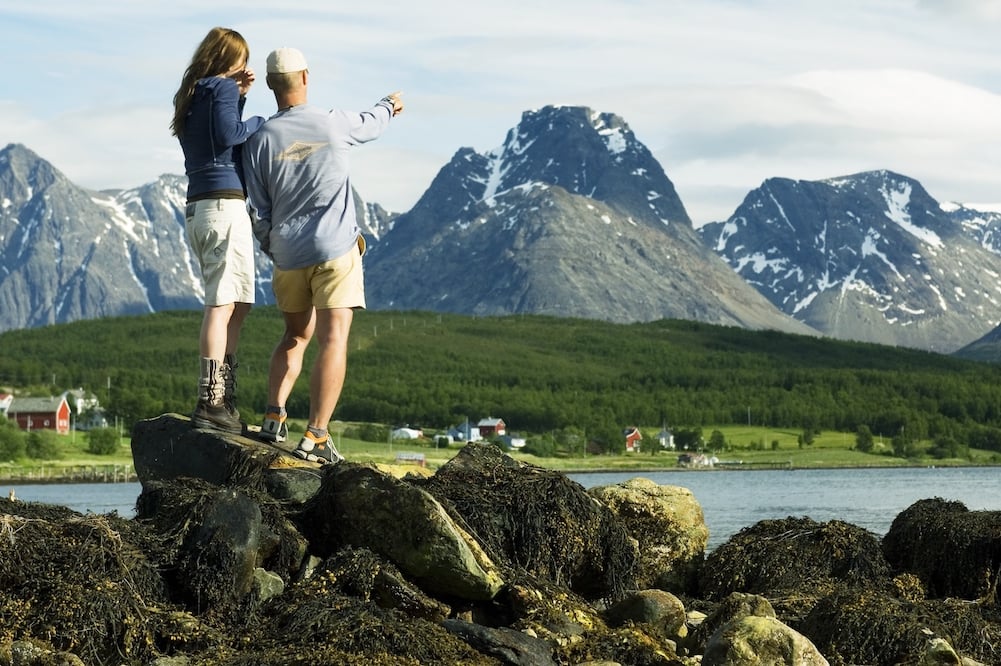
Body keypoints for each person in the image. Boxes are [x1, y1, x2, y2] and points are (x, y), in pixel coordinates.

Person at [242, 47, 403, 464]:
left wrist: (273, 245)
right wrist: (390, 103)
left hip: (288, 257)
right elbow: (374, 124)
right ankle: (315, 436)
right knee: (333, 340)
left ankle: (273, 417)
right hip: (335, 251)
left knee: (294, 336)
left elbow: (258, 209)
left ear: (272, 85)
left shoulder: (259, 141)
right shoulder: (333, 122)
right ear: (306, 77)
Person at [171, 27, 266, 434]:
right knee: (223, 303)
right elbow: (230, 135)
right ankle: (210, 401)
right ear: (228, 58)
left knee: (237, 303)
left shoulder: (195, 94)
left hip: (201, 207)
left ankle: (221, 397)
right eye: (242, 60)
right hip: (223, 205)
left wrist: (239, 96)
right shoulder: (220, 89)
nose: (246, 68)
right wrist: (262, 118)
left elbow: (215, 135)